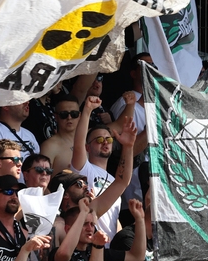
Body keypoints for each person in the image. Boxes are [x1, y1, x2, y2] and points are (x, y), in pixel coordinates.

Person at [70, 100, 137, 240]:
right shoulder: (84, 169)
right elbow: (78, 145)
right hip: (88, 242)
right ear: (87, 147)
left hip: (108, 247)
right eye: (99, 140)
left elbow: (114, 217)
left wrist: (128, 146)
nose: (106, 142)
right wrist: (87, 110)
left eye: (109, 139)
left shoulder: (114, 180)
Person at [40, 95, 83, 173]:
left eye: (74, 114)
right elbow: (42, 178)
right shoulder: (49, 146)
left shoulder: (87, 141)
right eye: (64, 114)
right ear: (56, 116)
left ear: (79, 116)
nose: (69, 118)